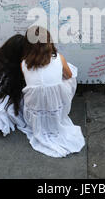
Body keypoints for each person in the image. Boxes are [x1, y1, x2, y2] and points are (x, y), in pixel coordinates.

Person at [20, 26, 85, 158]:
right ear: (48, 42)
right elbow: (69, 76)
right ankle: (58, 102)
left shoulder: (23, 63)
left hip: (34, 107)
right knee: (70, 74)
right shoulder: (59, 58)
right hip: (56, 104)